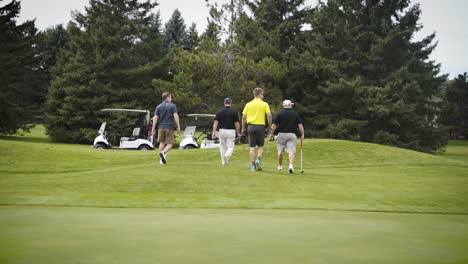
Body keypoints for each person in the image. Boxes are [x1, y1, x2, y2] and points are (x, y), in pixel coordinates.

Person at [241, 87, 272, 171]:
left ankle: (253, 166)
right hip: (260, 126)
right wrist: (269, 126)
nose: (263, 96)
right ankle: (258, 159)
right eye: (262, 94)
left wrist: (243, 128)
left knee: (252, 147)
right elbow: (269, 115)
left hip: (250, 126)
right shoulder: (264, 104)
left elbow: (244, 117)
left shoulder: (248, 104)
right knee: (261, 146)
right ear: (259, 94)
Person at [270, 99, 304, 174]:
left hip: (281, 134)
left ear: (283, 105)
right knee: (291, 151)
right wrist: (302, 135)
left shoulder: (279, 113)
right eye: (291, 104)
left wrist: (272, 133)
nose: (291, 105)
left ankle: (280, 166)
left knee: (280, 152)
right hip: (292, 135)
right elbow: (300, 125)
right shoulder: (295, 114)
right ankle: (291, 166)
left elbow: (274, 125)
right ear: (289, 105)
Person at [151, 92, 181, 165]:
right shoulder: (172, 106)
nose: (171, 98)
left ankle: (161, 160)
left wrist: (153, 128)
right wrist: (178, 126)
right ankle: (163, 153)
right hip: (169, 127)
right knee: (170, 143)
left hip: (161, 127)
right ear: (167, 97)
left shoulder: (158, 106)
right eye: (170, 97)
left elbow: (155, 118)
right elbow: (175, 116)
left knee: (162, 142)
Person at [212, 98, 241, 165]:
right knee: (231, 146)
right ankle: (227, 156)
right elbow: (237, 123)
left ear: (224, 103)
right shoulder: (234, 112)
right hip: (231, 131)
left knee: (222, 146)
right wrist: (238, 132)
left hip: (221, 131)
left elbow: (215, 123)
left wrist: (214, 132)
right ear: (231, 103)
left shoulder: (219, 111)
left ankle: (223, 161)